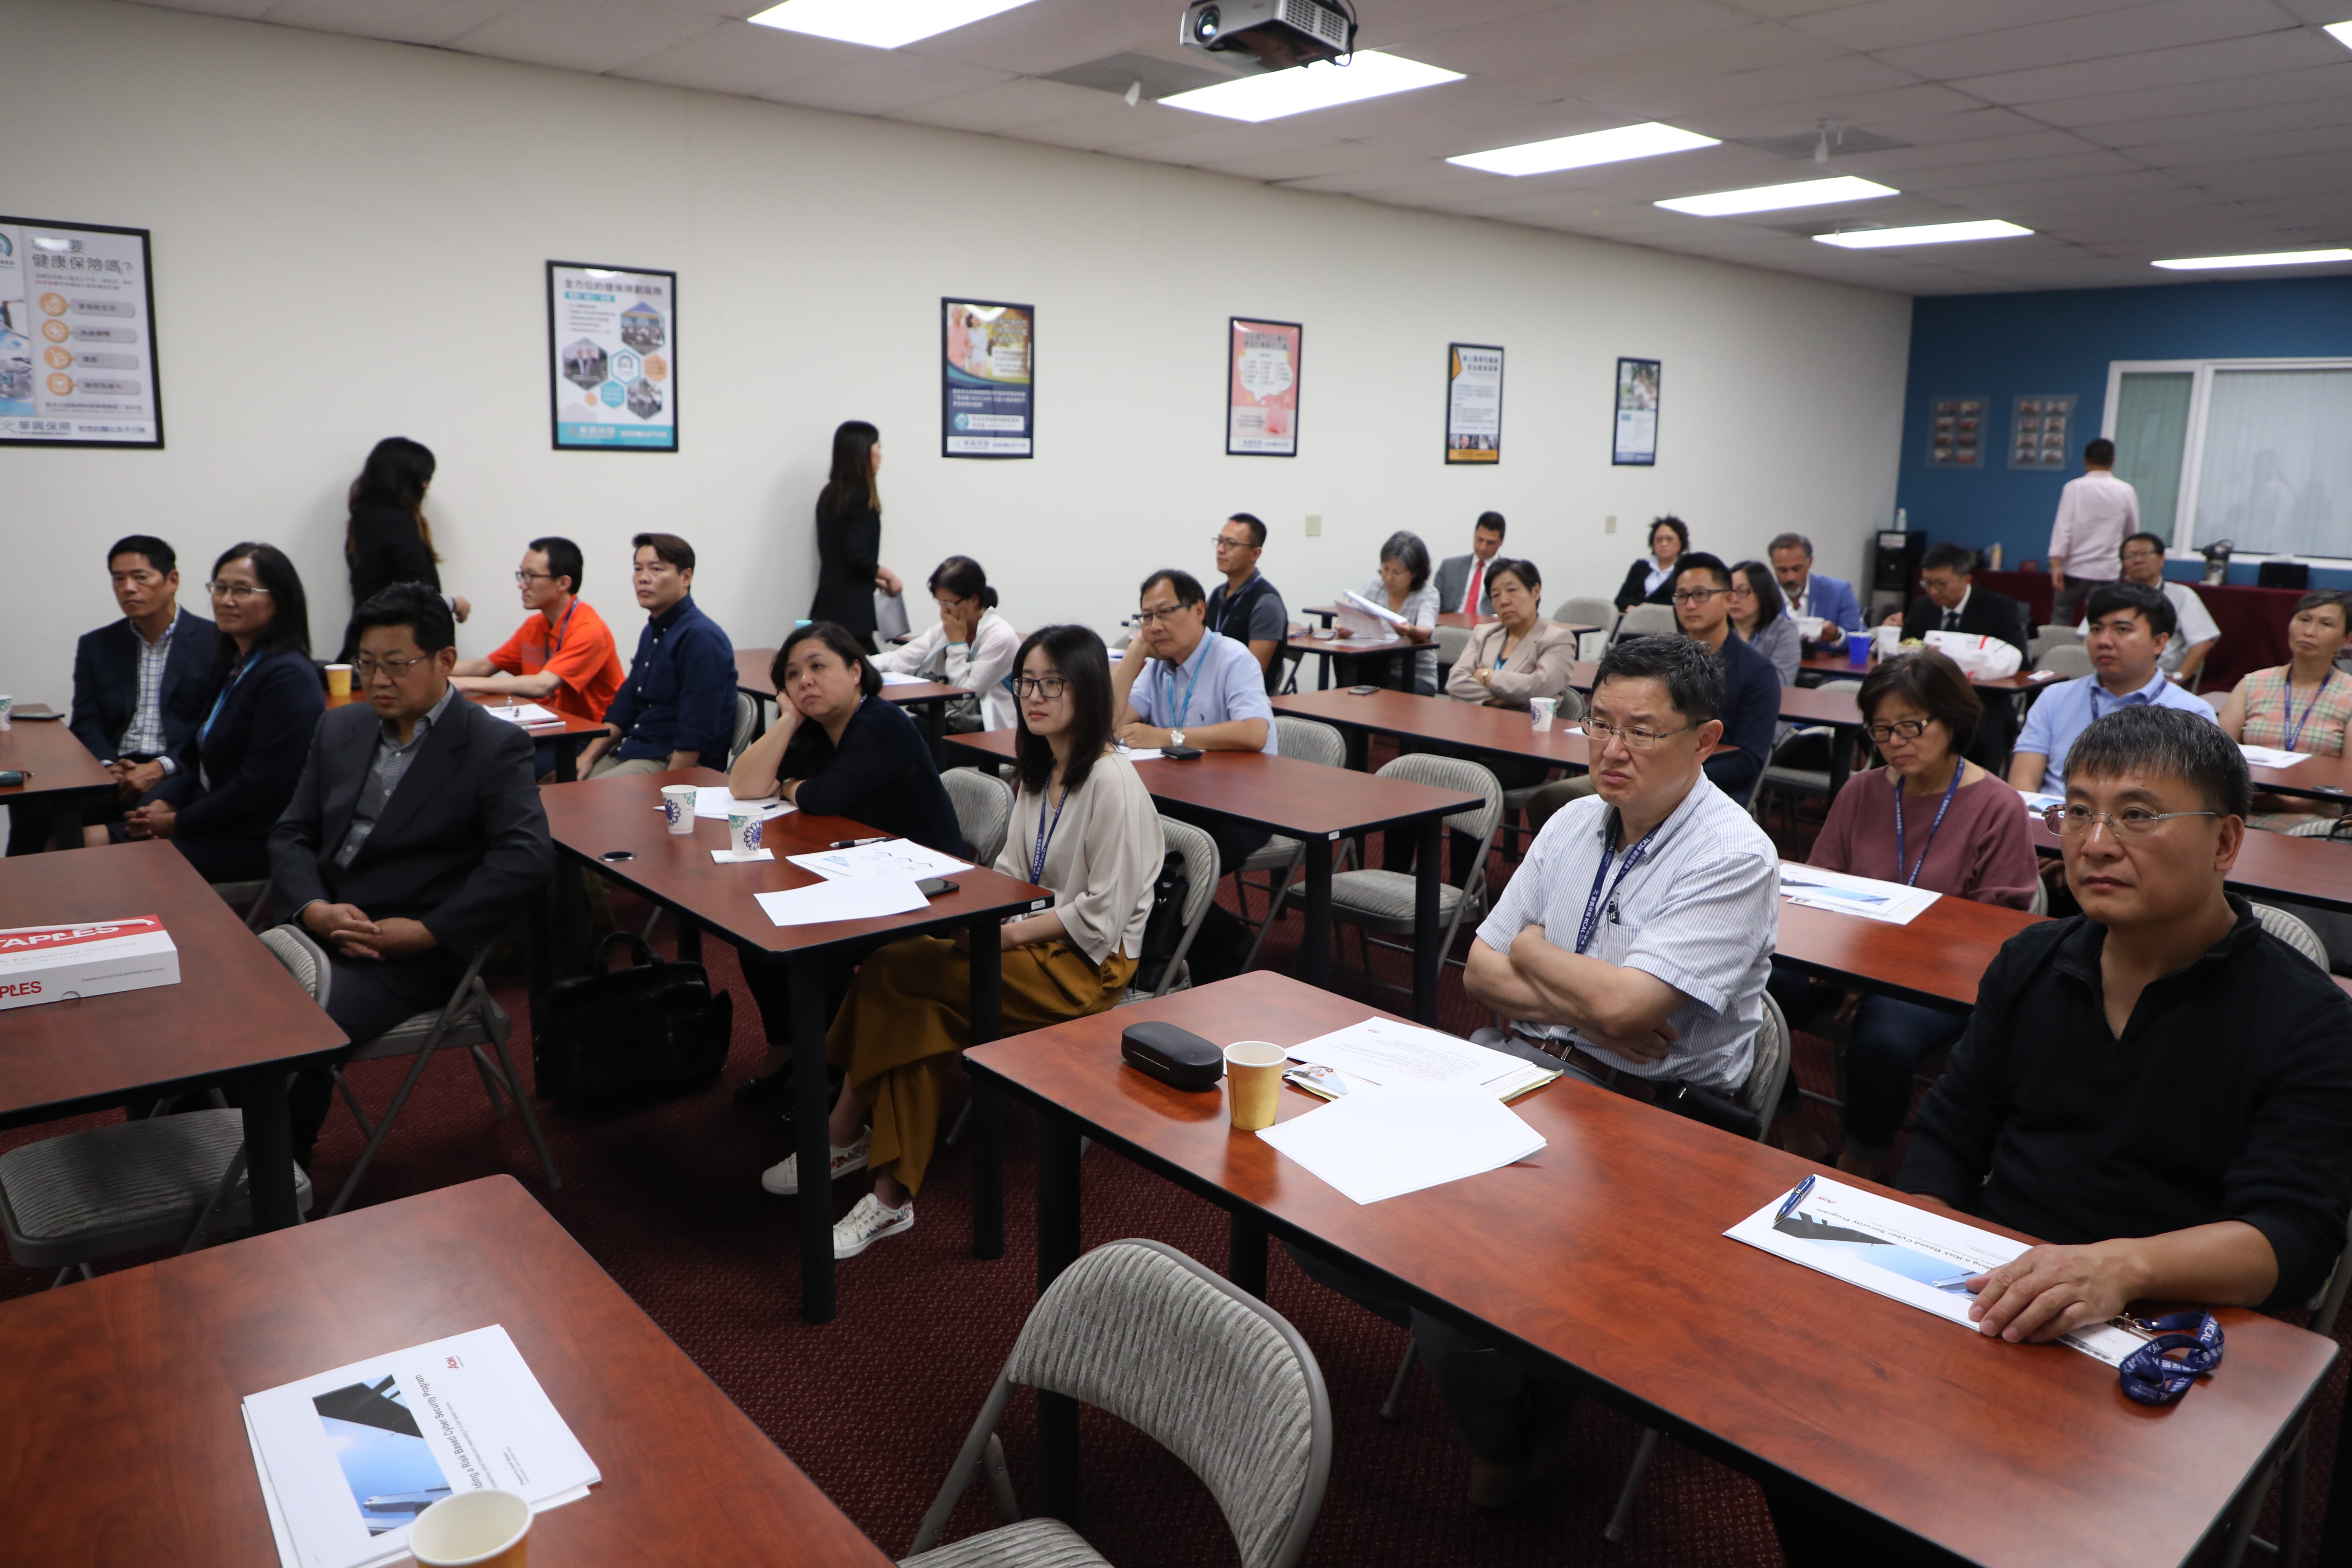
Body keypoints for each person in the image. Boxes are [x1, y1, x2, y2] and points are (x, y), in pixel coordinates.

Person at [1766, 706, 2352, 1565]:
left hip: (2165, 1320)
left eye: (2138, 814)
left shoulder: (2307, 1018)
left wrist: (2122, 1266)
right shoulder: (2032, 962)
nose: (2096, 843)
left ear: (2226, 842)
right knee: (1797, 1442)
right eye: (2077, 811)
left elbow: (2290, 1240)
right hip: (1998, 1282)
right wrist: (1926, 1236)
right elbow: (1951, 1130)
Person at [1294, 635, 1780, 1511]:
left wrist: (1535, 955)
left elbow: (1628, 1012)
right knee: (1315, 1202)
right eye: (1600, 723)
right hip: (1517, 1066)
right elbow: (1480, 973)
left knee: (1455, 1291)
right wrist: (1573, 991)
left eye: (1641, 731)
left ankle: (1516, 1418)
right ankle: (1526, 1351)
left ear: (1706, 740)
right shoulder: (1570, 822)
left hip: (1648, 1116)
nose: (1612, 749)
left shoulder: (1732, 854)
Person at [771, 625, 1158, 1260]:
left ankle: (841, 1133)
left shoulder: (1111, 781)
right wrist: (978, 915)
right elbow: (1011, 872)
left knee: (898, 975)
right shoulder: (1040, 770)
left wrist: (1001, 937)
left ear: (1087, 690)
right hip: (1027, 939)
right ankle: (887, 1194)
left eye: (1052, 684)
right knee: (912, 998)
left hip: (1088, 967)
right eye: (1026, 683)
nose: (1034, 697)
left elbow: (1101, 916)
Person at [268, 584, 553, 1169]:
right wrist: (314, 909)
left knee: (288, 1031)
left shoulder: (492, 746)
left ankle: (275, 1177)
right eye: (367, 664)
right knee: (210, 1006)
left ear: (445, 661)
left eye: (396, 666)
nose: (378, 681)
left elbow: (525, 857)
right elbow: (291, 834)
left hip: (407, 951)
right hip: (319, 924)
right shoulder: (341, 729)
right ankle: (179, 1156)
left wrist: (428, 932)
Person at [1766, 652, 2038, 1178]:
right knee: (1749, 988)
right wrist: (1850, 966)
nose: (1895, 742)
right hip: (1843, 959)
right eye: (1882, 729)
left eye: (1911, 726)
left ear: (1952, 720)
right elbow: (1814, 889)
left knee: (1885, 1038)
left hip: (1942, 974)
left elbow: (1992, 933)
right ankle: (1794, 1127)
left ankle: (1859, 1165)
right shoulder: (1861, 790)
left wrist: (1875, 971)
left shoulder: (1998, 805)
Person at [729, 621, 964, 1104]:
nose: (805, 681)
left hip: (926, 890)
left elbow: (824, 797)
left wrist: (790, 786)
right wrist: (788, 721)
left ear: (857, 671)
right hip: (860, 873)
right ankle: (787, 1050)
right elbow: (744, 786)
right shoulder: (815, 730)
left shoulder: (882, 723)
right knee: (757, 934)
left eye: (818, 667)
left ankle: (832, 1073)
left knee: (819, 946)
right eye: (793, 675)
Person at [106, 543, 323, 881]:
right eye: (220, 588)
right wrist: (166, 803)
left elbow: (257, 787)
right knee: (70, 844)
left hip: (251, 839)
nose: (225, 600)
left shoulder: (288, 677)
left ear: (280, 600)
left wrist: (175, 823)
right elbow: (196, 758)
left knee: (95, 866)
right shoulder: (235, 664)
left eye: (242, 590)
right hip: (209, 819)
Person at [10, 536, 222, 855]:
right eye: (118, 579)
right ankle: (20, 888)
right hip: (112, 769)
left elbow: (213, 727)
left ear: (172, 581)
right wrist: (108, 768)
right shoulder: (97, 645)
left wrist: (160, 767)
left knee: (147, 814)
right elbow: (87, 722)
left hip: (177, 769)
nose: (128, 588)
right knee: (32, 804)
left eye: (140, 577)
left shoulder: (216, 642)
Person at [1114, 568, 1276, 979]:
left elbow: (1255, 732)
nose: (1155, 626)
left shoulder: (1233, 658)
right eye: (1146, 617)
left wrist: (1167, 735)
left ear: (1199, 610)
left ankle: (1223, 945)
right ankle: (1183, 952)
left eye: (1164, 613)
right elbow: (1111, 725)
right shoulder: (1158, 667)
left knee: (1164, 864)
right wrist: (1135, 654)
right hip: (1182, 798)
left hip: (1241, 808)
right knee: (1121, 843)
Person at [2009, 581, 2213, 796]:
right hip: (2054, 813)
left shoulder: (2193, 714)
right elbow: (2023, 781)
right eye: (2096, 629)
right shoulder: (2054, 698)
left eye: (2122, 630)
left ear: (2159, 643)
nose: (2104, 641)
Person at [449, 536, 626, 771]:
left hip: (583, 736)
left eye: (531, 576)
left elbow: (542, 685)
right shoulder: (535, 626)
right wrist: (432, 670)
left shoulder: (588, 630)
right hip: (545, 727)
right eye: (522, 575)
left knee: (497, 768)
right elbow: (484, 667)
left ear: (563, 583)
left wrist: (462, 684)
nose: (522, 585)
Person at [577, 533, 736, 779]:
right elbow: (625, 707)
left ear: (686, 577)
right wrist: (586, 758)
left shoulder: (701, 638)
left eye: (656, 569)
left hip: (675, 761)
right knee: (566, 782)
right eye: (638, 569)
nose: (643, 578)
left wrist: (671, 790)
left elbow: (695, 732)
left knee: (585, 796)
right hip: (636, 749)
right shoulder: (653, 630)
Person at [2216, 589, 2352, 832]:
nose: (2309, 631)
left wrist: (2290, 803)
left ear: (2347, 639)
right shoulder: (2253, 683)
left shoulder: (2349, 694)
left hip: (2314, 814)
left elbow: (2349, 778)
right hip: (2245, 805)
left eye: (2326, 624)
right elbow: (2218, 755)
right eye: (2304, 619)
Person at [340, 436, 468, 660]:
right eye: (425, 478)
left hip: (369, 643)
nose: (427, 486)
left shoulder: (363, 522)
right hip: (397, 651)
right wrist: (455, 604)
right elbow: (416, 596)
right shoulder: (397, 524)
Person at [874, 555, 1021, 732]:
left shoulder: (1000, 636)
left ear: (974, 600)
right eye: (940, 603)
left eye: (949, 603)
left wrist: (957, 644)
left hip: (987, 728)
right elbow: (903, 659)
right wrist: (859, 663)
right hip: (949, 718)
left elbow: (962, 694)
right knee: (887, 729)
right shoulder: (947, 628)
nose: (943, 611)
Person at [2075, 532, 2219, 686]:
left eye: (2145, 554)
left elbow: (2203, 643)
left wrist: (2176, 680)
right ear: (2123, 565)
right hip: (2109, 678)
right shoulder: (2109, 597)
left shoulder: (2182, 596)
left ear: (2162, 559)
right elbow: (2088, 639)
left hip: (2161, 679)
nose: (2138, 560)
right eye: (2131, 556)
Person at [807, 419, 902, 651]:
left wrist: (872, 578)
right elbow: (857, 555)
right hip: (852, 614)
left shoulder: (830, 493)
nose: (881, 456)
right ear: (863, 452)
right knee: (868, 668)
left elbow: (839, 557)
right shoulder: (862, 497)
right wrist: (888, 576)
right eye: (878, 447)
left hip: (828, 605)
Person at [2046, 437, 2138, 626]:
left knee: (2061, 617)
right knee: (2100, 623)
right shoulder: (2126, 491)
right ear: (2113, 461)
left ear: (2085, 460)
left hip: (2073, 570)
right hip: (2107, 571)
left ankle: (2055, 646)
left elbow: (2063, 529)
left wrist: (2056, 565)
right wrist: (2127, 562)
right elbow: (2132, 534)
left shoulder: (2073, 488)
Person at [1888, 541, 2028, 651]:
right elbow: (1906, 651)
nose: (1933, 592)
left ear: (1967, 580)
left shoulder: (1999, 609)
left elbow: (2018, 662)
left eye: (1942, 584)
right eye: (1927, 583)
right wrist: (1892, 633)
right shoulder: (1920, 608)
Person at [1348, 530, 1440, 695]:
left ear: (1415, 573)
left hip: (1415, 676)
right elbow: (1350, 617)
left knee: (1376, 698)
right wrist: (1345, 628)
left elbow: (1426, 630)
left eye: (1397, 573)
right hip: (1376, 670)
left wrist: (1410, 630)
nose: (1389, 577)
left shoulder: (1428, 594)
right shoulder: (1373, 587)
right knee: (1347, 677)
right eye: (1386, 568)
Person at [1202, 513, 1288, 688]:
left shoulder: (1266, 603)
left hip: (1243, 698)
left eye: (1231, 544)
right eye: (1220, 541)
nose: (1221, 549)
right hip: (1210, 690)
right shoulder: (1217, 594)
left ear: (1255, 554)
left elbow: (1251, 674)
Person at [1768, 531, 1864, 649]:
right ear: (1773, 565)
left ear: (1810, 562)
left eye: (1797, 569)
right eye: (1783, 571)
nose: (1790, 578)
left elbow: (1862, 638)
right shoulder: (1763, 597)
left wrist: (1837, 636)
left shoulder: (1839, 592)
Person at [1727, 558, 1798, 685]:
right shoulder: (1717, 629)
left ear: (1762, 593)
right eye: (1729, 592)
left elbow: (1780, 682)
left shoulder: (1784, 631)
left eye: (1742, 591)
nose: (1734, 599)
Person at [1435, 511, 1506, 617]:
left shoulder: (1508, 574)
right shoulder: (1449, 568)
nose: (1483, 547)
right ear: (1475, 535)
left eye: (1490, 543)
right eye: (1480, 540)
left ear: (1501, 542)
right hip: (1450, 624)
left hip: (1488, 625)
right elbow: (1432, 604)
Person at [1612, 516, 1687, 611]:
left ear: (1681, 542)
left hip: (1667, 619)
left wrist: (1650, 610)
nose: (1664, 544)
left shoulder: (1687, 569)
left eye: (1670, 539)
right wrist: (1635, 609)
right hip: (1635, 618)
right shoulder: (1641, 566)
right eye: (1659, 539)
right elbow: (1620, 600)